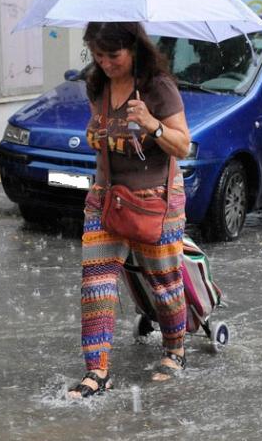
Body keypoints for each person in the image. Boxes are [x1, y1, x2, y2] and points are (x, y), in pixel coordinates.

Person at [67, 22, 192, 399]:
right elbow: (99, 132)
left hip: (156, 200)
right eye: (98, 55)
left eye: (113, 55)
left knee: (164, 283)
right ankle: (97, 371)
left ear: (134, 49)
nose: (105, 63)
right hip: (107, 197)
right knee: (96, 284)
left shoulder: (158, 87)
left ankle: (175, 349)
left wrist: (152, 125)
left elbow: (183, 146)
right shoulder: (97, 84)